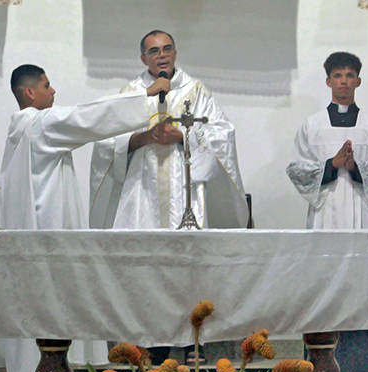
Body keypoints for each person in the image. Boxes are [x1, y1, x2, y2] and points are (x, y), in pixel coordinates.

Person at [0, 63, 168, 372]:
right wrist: (144, 94)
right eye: (47, 85)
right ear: (30, 92)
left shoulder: (19, 130)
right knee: (54, 299)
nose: (54, 90)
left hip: (32, 232)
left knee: (33, 299)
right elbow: (86, 118)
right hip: (50, 233)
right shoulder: (39, 124)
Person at [285, 51, 368, 372]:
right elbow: (298, 170)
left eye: (350, 75)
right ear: (328, 81)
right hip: (325, 213)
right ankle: (317, 369)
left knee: (359, 287)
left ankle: (359, 371)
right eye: (338, 75)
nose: (344, 81)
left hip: (359, 212)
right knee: (323, 286)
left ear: (358, 81)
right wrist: (331, 164)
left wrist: (356, 166)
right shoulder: (312, 125)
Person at [89, 30, 249, 231]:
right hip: (141, 185)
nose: (162, 55)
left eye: (167, 49)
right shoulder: (132, 93)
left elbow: (222, 134)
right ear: (144, 59)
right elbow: (107, 141)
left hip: (184, 186)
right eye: (154, 51)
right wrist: (144, 137)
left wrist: (183, 136)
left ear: (175, 54)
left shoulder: (196, 91)